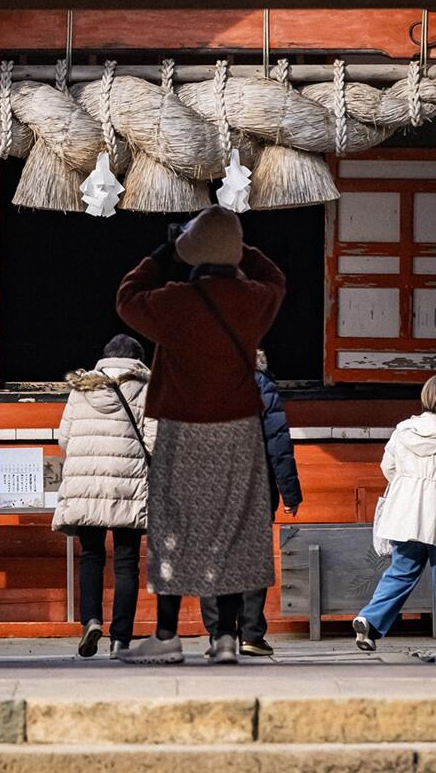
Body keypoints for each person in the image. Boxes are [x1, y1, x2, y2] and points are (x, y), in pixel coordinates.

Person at [111, 205, 288, 666]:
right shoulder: (252, 301)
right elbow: (276, 279)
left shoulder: (172, 302)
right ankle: (226, 639)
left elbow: (127, 296)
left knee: (175, 527)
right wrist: (238, 250)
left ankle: (167, 634)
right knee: (232, 527)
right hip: (238, 429)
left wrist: (168, 250)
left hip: (182, 426)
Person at [353, 372, 436, 659]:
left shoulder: (403, 430)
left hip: (403, 511)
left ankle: (371, 619)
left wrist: (408, 485)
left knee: (401, 570)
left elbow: (388, 467)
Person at [52, 334, 157, 658]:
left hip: (85, 486)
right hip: (127, 486)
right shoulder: (145, 387)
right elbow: (154, 441)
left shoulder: (81, 388)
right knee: (126, 562)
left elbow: (64, 438)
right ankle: (120, 640)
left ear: (105, 357)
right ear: (137, 360)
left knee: (91, 556)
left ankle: (92, 620)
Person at [198, 349, 301, 657]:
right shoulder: (262, 386)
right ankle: (251, 635)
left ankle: (220, 636)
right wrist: (290, 493)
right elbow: (278, 441)